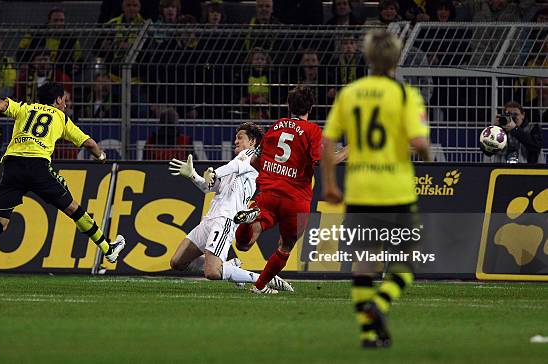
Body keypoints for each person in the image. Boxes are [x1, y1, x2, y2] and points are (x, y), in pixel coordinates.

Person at [321, 29, 431, 348]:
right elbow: (420, 143)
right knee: (409, 260)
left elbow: (328, 142)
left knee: (364, 263)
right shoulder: (405, 95)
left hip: (360, 191)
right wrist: (425, 153)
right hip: (396, 191)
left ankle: (369, 335)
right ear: (397, 58)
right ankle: (380, 305)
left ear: (367, 58)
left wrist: (329, 184)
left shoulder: (350, 93)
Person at [0, 83, 126, 263]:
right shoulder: (61, 118)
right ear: (57, 100)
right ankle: (108, 249)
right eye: (64, 100)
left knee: (0, 223)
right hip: (38, 167)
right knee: (74, 209)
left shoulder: (24, 108)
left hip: (12, 167)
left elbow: (0, 103)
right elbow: (89, 144)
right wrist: (101, 157)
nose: (66, 104)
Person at [168, 122, 293, 291]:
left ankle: (264, 279)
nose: (235, 141)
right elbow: (209, 187)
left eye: (240, 137)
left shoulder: (251, 157)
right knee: (177, 262)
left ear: (252, 142)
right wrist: (193, 175)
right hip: (209, 219)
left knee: (212, 272)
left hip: (225, 219)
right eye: (235, 138)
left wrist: (215, 173)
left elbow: (232, 167)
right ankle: (230, 267)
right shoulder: (234, 164)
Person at [233, 86, 323, 294]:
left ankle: (248, 222)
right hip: (296, 199)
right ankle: (259, 286)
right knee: (286, 246)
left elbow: (256, 160)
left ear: (288, 105)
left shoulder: (277, 126)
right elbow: (322, 161)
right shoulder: (313, 131)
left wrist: (271, 174)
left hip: (269, 193)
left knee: (244, 243)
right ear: (311, 106)